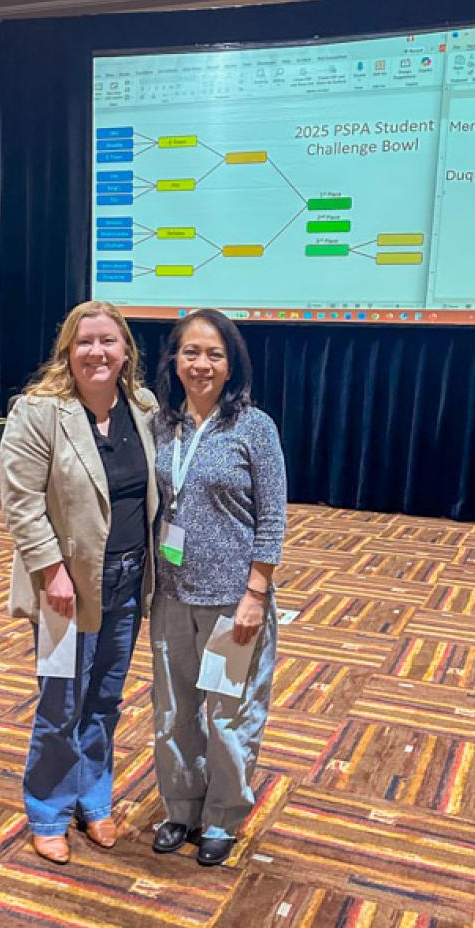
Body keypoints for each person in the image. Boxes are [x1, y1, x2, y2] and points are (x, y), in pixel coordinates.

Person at [0, 300, 158, 864]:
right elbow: (19, 502)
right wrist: (50, 570)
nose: (97, 352)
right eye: (85, 341)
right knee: (60, 702)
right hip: (67, 588)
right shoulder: (39, 410)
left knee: (105, 701)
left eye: (108, 341)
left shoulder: (143, 406)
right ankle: (47, 810)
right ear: (68, 350)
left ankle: (94, 801)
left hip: (129, 579)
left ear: (125, 352)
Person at [150, 308, 286, 866]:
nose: (201, 364)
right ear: (175, 360)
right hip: (171, 596)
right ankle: (180, 807)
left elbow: (272, 519)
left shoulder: (255, 427)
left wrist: (256, 593)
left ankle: (223, 817)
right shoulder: (162, 422)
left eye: (214, 354)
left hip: (235, 602)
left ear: (232, 365)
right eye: (190, 352)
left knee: (229, 715)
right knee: (173, 712)